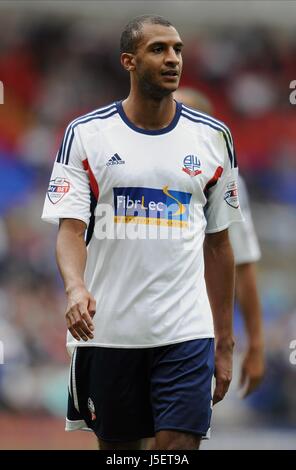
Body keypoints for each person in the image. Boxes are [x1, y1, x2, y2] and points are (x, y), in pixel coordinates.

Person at [42, 15, 243, 450]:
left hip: (186, 331)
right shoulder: (86, 135)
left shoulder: (214, 138)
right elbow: (71, 230)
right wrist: (75, 288)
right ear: (128, 61)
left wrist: (225, 341)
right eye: (158, 49)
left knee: (178, 447)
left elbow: (221, 244)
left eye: (178, 49)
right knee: (122, 453)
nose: (173, 59)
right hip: (110, 331)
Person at [174, 87, 265, 397]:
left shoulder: (223, 179)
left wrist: (255, 343)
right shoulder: (135, 171)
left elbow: (242, 261)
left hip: (193, 327)